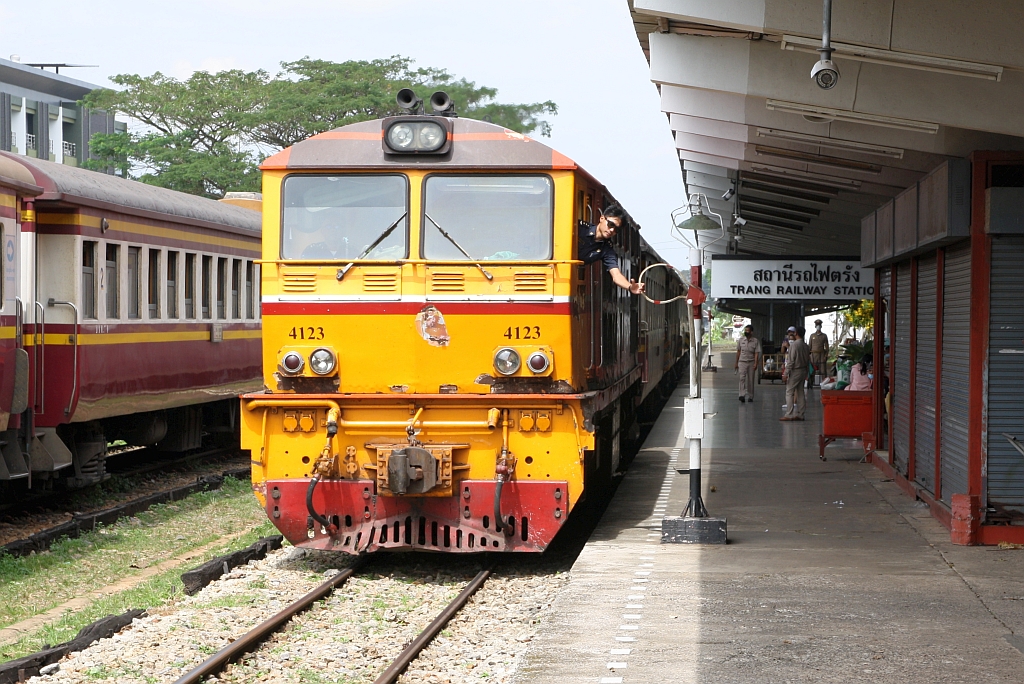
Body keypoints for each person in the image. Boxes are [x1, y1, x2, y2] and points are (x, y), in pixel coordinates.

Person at [578, 204, 645, 295]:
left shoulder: (607, 249)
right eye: (611, 224)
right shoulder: (579, 228)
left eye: (617, 230)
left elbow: (616, 275)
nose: (612, 230)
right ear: (602, 218)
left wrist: (630, 287)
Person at [781, 326, 810, 421]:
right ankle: (801, 414)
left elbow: (791, 361)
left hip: (795, 370)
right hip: (803, 370)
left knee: (789, 392)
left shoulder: (794, 346)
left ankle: (789, 414)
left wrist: (785, 374)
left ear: (796, 333)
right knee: (800, 392)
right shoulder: (806, 346)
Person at [734, 324, 761, 403]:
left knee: (750, 380)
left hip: (751, 362)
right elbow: (738, 351)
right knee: (742, 378)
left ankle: (750, 396)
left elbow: (756, 353)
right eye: (745, 331)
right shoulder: (741, 340)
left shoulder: (755, 341)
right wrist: (736, 362)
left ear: (751, 332)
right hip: (742, 362)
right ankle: (741, 395)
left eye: (748, 331)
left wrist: (756, 363)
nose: (746, 332)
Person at [808, 319, 829, 389]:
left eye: (819, 325)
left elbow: (827, 347)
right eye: (817, 325)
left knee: (822, 370)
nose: (818, 326)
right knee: (812, 369)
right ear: (815, 326)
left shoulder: (824, 336)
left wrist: (826, 356)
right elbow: (809, 346)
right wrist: (809, 356)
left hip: (821, 354)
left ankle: (824, 384)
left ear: (821, 326)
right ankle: (811, 383)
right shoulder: (812, 336)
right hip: (813, 355)